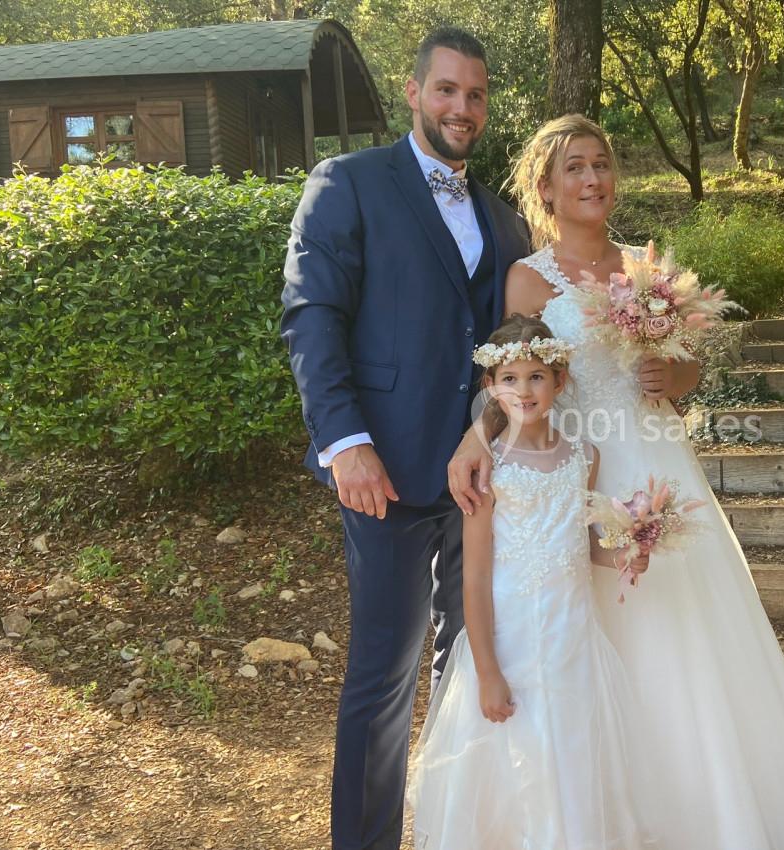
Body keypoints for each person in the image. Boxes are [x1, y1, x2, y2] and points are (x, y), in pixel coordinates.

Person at [448, 114, 784, 850]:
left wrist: (672, 372)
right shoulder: (527, 277)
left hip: (654, 456)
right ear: (546, 187)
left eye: (601, 164)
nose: (592, 180)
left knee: (673, 615)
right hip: (573, 465)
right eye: (574, 168)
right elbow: (511, 377)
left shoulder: (647, 266)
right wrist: (471, 439)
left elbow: (691, 370)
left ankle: (705, 805)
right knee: (582, 617)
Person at [279, 27, 530, 850]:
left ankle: (462, 830)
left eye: (477, 95)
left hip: (481, 473)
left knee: (471, 664)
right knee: (382, 675)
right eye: (448, 89)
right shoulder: (347, 184)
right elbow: (313, 314)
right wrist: (344, 440)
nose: (463, 107)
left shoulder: (503, 217)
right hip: (380, 470)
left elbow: (518, 343)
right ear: (415, 93)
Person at [408, 315, 656, 850]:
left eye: (537, 377)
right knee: (510, 749)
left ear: (560, 381)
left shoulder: (586, 456)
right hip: (508, 637)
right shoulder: (487, 466)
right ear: (491, 388)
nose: (524, 390)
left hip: (573, 635)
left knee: (570, 746)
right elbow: (472, 577)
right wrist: (488, 671)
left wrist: (626, 555)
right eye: (510, 379)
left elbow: (583, 542)